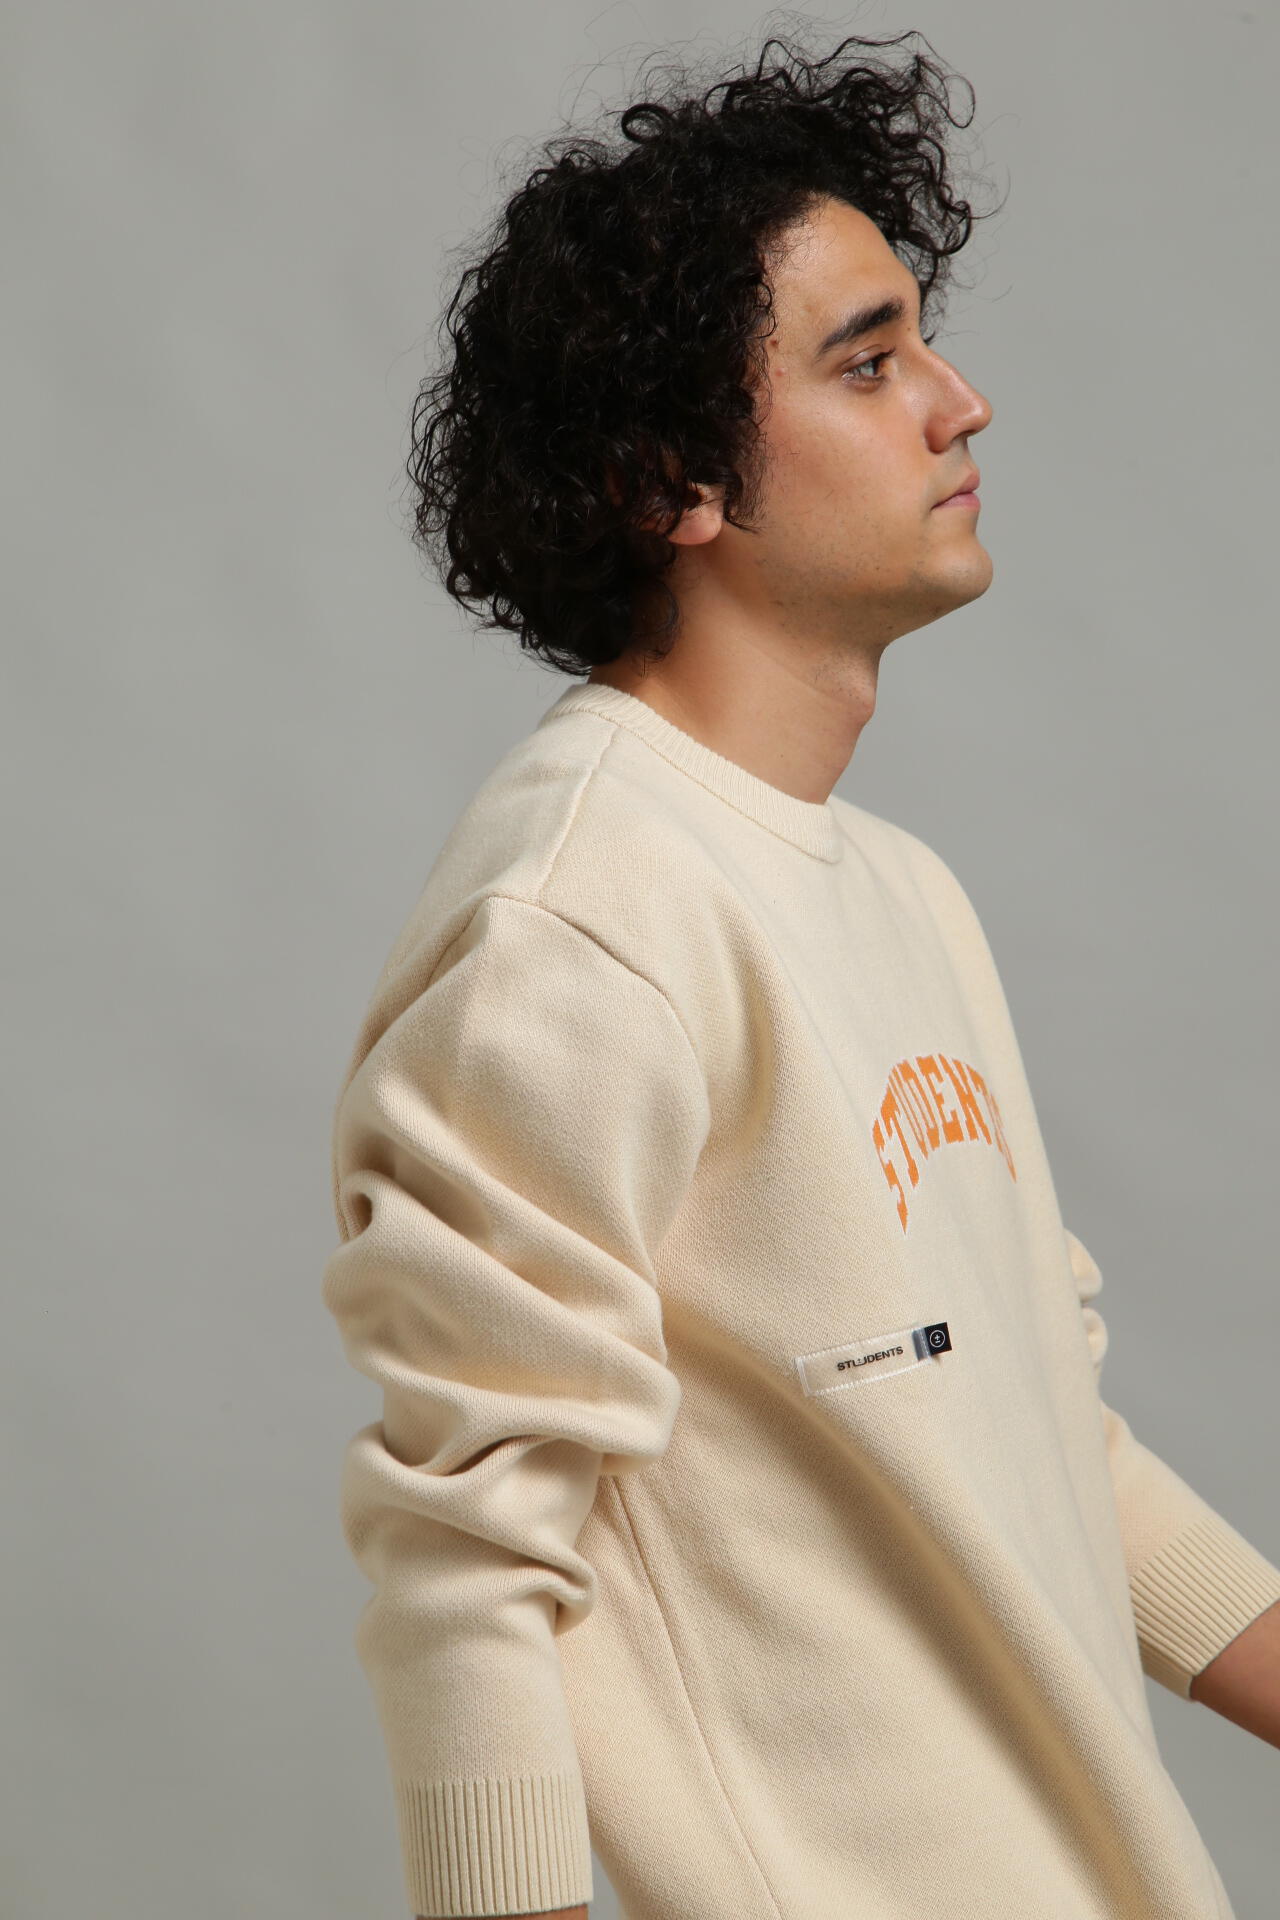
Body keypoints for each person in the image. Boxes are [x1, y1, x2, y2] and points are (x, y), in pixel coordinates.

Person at [320, 30, 1280, 1920]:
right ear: (671, 480)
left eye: (926, 342)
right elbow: (468, 1558)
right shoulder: (583, 916)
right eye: (868, 360)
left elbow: (1040, 1430)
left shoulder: (904, 895)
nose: (961, 404)